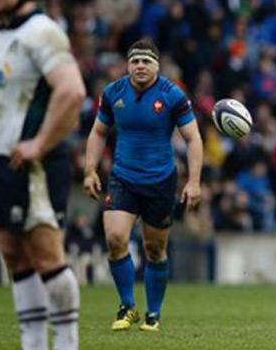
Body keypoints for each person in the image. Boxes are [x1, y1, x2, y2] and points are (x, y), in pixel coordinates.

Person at [0, 0, 85, 350]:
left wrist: (39, 144)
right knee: (14, 256)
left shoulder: (42, 31)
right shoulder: (0, 36)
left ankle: (66, 342)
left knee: (46, 256)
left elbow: (72, 90)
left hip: (36, 166)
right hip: (1, 161)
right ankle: (32, 344)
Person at [83, 39, 203, 332]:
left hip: (160, 181)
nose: (140, 66)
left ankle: (154, 313)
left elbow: (193, 139)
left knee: (154, 249)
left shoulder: (173, 95)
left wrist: (194, 182)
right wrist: (90, 170)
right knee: (114, 238)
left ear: (157, 66)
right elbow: (98, 133)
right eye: (135, 61)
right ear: (127, 64)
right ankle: (127, 305)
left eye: (146, 61)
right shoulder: (113, 93)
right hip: (123, 177)